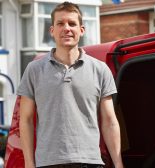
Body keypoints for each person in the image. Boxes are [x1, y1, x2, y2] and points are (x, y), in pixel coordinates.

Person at [18, 2, 123, 168]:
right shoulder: (34, 70)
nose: (66, 28)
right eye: (60, 23)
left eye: (72, 23)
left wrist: (118, 164)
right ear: (52, 30)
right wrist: (29, 164)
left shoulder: (100, 69)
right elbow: (25, 120)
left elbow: (110, 121)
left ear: (81, 30)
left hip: (90, 162)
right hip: (48, 163)